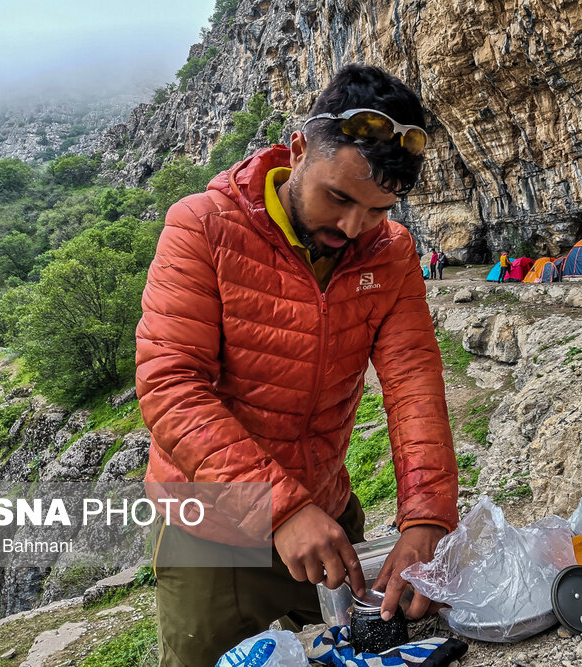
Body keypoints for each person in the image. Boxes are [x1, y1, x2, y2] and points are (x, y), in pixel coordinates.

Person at [136, 64, 459, 667]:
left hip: (328, 516)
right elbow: (170, 385)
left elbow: (413, 382)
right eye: (337, 198)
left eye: (378, 209)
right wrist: (278, 507)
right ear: (299, 148)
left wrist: (426, 518)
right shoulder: (203, 227)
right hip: (212, 536)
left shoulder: (389, 254)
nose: (352, 227)